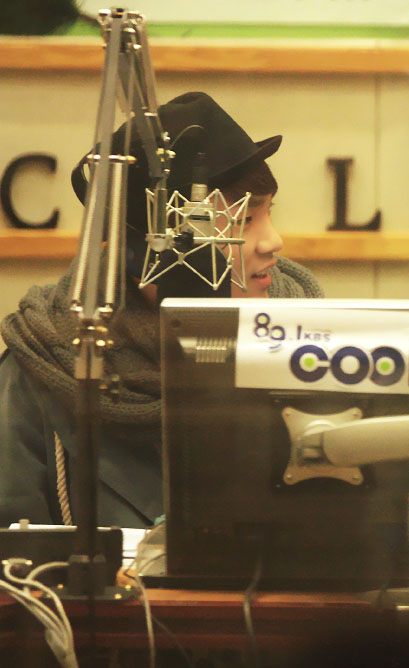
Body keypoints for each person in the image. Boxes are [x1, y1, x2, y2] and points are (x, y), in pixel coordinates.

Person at [0, 92, 322, 529]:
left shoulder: (315, 354)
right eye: (245, 221)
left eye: (269, 213)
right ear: (148, 250)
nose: (274, 241)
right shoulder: (38, 372)